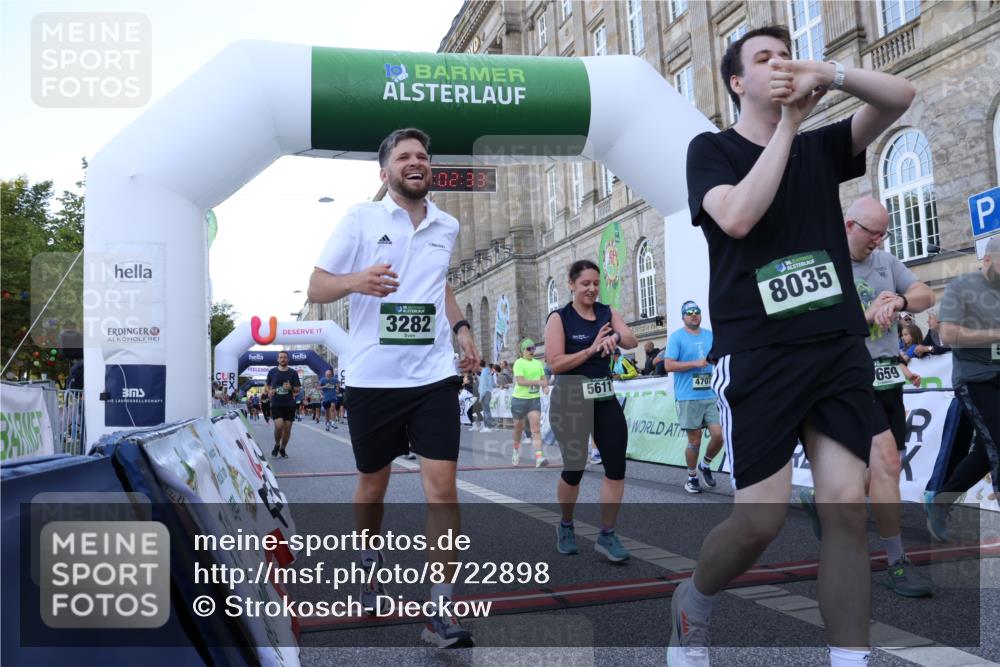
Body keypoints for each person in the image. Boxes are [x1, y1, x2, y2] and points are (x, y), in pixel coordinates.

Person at [671, 25, 915, 667]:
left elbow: (900, 95)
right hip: (758, 354)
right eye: (764, 58)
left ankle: (849, 658)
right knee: (761, 520)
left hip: (835, 348)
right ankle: (693, 601)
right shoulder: (710, 150)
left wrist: (829, 74)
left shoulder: (824, 145)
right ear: (736, 82)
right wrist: (786, 127)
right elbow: (739, 216)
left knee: (845, 508)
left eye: (786, 54)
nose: (780, 64)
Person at [307, 127, 481, 648]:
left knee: (442, 489)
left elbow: (437, 282)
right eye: (404, 156)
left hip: (433, 376)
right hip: (372, 379)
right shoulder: (361, 218)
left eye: (422, 156)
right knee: (372, 488)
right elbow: (316, 285)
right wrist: (355, 281)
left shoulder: (446, 225)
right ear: (384, 173)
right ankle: (367, 555)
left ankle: (440, 610)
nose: (416, 161)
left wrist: (461, 327)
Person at [801, 196, 933, 597]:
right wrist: (865, 314)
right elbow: (816, 328)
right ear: (848, 225)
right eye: (871, 233)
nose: (877, 241)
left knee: (879, 472)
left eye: (883, 234)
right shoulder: (826, 265)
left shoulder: (886, 262)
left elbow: (926, 293)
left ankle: (826, 498)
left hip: (888, 377)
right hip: (848, 379)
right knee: (889, 462)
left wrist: (901, 300)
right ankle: (896, 562)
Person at [544, 259, 638, 562]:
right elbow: (555, 363)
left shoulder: (607, 312)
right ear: (571, 284)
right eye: (585, 283)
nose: (592, 288)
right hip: (570, 399)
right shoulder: (560, 318)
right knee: (574, 469)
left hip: (603, 397)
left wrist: (615, 337)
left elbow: (633, 341)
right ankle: (566, 524)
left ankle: (608, 534)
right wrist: (590, 349)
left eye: (596, 283)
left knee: (616, 467)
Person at [925, 235, 1000, 541]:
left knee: (985, 452)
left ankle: (940, 501)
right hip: (976, 379)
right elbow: (948, 334)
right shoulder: (963, 289)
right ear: (987, 260)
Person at [662, 300, 724, 494]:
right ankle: (692, 477)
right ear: (683, 317)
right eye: (689, 312)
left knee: (719, 435)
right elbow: (668, 365)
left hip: (711, 394)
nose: (693, 314)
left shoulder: (710, 336)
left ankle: (705, 465)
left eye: (696, 311)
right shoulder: (676, 337)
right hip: (688, 396)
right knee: (694, 441)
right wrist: (695, 364)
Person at [511, 338, 549, 467]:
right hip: (519, 400)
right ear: (523, 351)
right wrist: (538, 383)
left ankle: (539, 457)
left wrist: (545, 387)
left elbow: (543, 379)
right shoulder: (518, 363)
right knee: (518, 428)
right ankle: (515, 450)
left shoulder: (538, 363)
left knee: (536, 429)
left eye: (534, 348)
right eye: (529, 349)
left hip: (534, 400)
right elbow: (520, 381)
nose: (532, 351)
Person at [265, 351, 301, 458]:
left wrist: (291, 388)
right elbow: (266, 385)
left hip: (289, 404)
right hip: (276, 403)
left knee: (287, 429)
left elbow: (298, 389)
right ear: (278, 359)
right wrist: (269, 391)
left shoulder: (293, 373)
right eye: (281, 357)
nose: (283, 359)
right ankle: (277, 444)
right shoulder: (272, 372)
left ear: (288, 359)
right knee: (279, 426)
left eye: (285, 357)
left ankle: (282, 448)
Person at [478, 360, 496, 429]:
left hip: (485, 393)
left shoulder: (484, 373)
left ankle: (488, 426)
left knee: (486, 410)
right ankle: (488, 425)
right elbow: (493, 384)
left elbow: (482, 386)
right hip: (488, 392)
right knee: (487, 410)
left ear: (479, 366)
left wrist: (480, 397)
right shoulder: (488, 372)